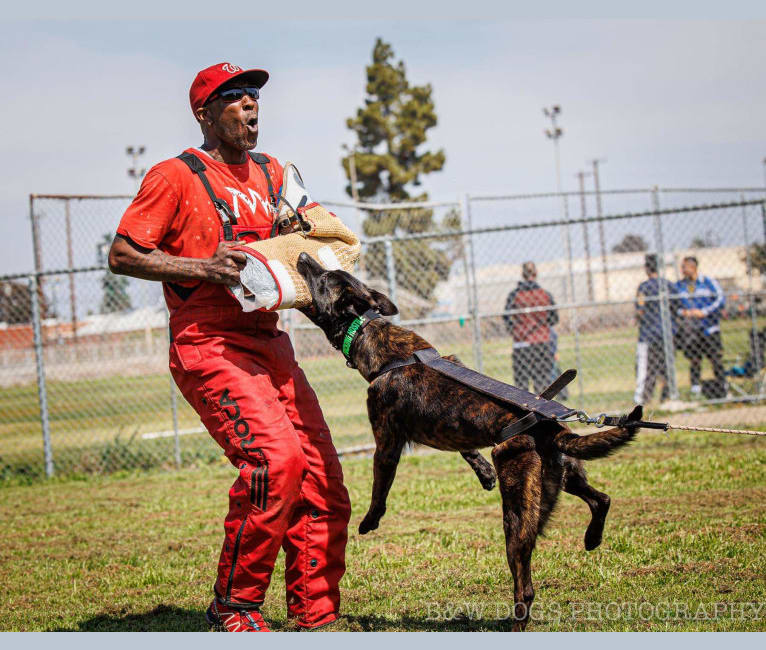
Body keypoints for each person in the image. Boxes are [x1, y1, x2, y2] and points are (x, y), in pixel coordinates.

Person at [108, 63, 351, 632]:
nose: (250, 107)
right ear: (205, 113)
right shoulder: (174, 176)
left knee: (322, 477)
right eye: (235, 99)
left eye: (254, 98)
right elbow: (123, 253)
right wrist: (203, 267)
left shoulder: (272, 173)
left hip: (270, 341)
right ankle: (233, 609)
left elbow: (300, 247)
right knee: (275, 463)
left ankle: (315, 615)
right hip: (208, 343)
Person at [503, 261, 558, 394]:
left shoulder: (514, 295)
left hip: (521, 345)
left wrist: (516, 330)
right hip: (542, 343)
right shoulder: (545, 294)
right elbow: (554, 318)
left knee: (522, 387)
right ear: (536, 273)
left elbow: (506, 317)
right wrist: (542, 326)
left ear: (522, 274)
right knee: (542, 385)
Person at [674, 256, 726, 397]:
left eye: (684, 267)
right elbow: (673, 306)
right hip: (691, 331)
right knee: (695, 360)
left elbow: (721, 299)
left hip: (710, 328)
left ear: (692, 267)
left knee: (715, 359)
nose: (682, 270)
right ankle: (695, 390)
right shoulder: (679, 286)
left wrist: (704, 312)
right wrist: (684, 312)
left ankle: (723, 387)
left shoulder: (708, 282)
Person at [633, 254, 675, 404]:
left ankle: (642, 398)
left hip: (648, 333)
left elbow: (640, 309)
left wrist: (637, 318)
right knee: (666, 365)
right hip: (667, 332)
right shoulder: (669, 285)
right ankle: (668, 394)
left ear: (647, 268)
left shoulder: (644, 287)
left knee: (645, 367)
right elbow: (677, 307)